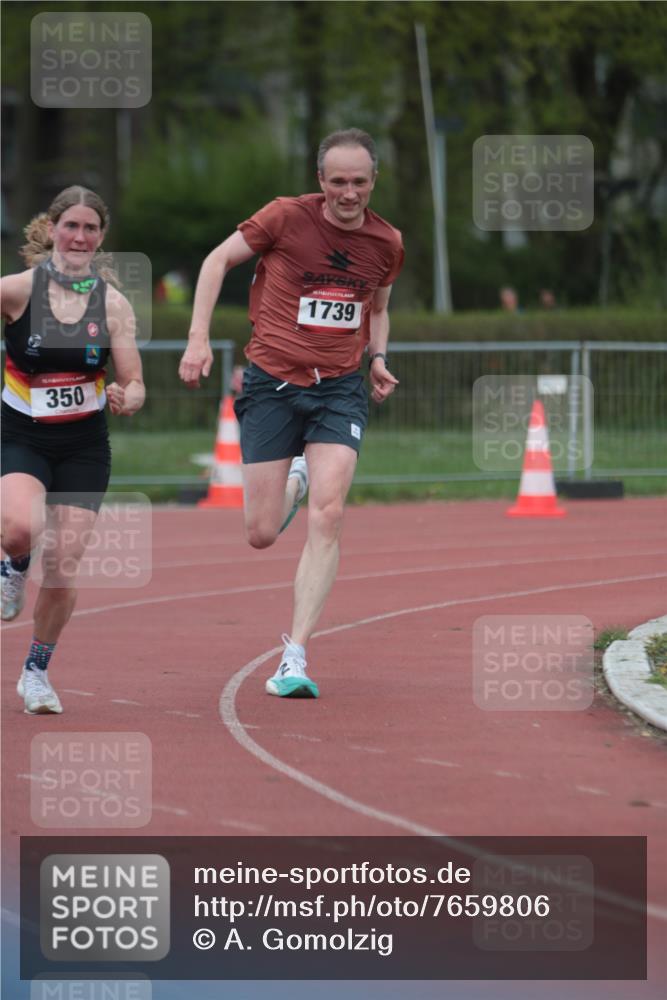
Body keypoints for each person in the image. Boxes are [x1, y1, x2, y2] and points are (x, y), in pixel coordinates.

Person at [179, 128, 404, 699]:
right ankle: (295, 479)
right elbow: (215, 262)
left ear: (373, 181)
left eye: (358, 182)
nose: (348, 193)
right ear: (319, 181)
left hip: (339, 390)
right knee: (260, 533)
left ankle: (295, 654)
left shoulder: (387, 242)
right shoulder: (284, 217)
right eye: (337, 182)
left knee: (329, 515)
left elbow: (377, 307)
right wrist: (198, 339)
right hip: (272, 384)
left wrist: (377, 356)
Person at [1, 186, 145, 714]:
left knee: (63, 564)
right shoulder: (17, 291)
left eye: (90, 228)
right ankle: (13, 565)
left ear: (100, 238)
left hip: (84, 444)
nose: (80, 236)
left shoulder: (113, 304)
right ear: (54, 228)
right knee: (19, 528)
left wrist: (126, 397)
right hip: (22, 434)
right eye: (71, 226)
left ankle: (36, 673)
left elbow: (134, 382)